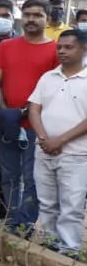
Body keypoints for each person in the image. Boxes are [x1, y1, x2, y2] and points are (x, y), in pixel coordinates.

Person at [0, 0, 59, 232]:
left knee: (32, 178)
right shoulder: (6, 47)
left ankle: (26, 224)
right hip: (8, 121)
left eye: (38, 15)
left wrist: (33, 113)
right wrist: (4, 112)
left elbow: (56, 88)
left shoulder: (55, 49)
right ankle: (12, 221)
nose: (31, 19)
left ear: (47, 19)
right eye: (28, 14)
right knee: (9, 175)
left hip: (38, 124)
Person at [27, 30, 87, 252]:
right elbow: (34, 107)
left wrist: (60, 141)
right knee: (47, 203)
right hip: (44, 152)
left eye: (68, 47)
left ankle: (69, 250)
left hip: (76, 155)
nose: (61, 51)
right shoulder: (48, 77)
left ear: (84, 49)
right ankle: (50, 246)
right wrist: (43, 138)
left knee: (72, 206)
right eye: (59, 47)